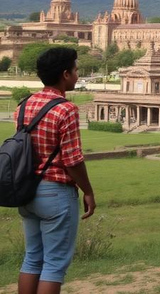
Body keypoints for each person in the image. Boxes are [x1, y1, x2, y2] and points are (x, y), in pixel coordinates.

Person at [14, 47, 96, 294]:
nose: (77, 74)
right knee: (54, 265)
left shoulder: (25, 103)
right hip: (55, 193)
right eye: (76, 69)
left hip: (26, 190)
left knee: (32, 258)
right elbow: (72, 160)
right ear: (65, 74)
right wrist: (88, 191)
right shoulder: (65, 109)